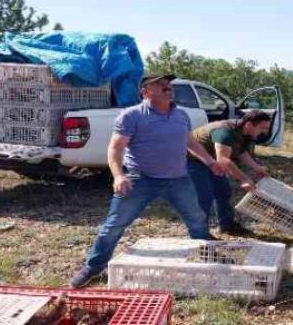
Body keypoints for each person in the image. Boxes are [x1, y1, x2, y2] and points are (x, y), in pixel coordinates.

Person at [70, 74, 214, 288]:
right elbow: (115, 148)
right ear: (145, 92)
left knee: (197, 219)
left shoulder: (181, 115)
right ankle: (94, 266)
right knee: (114, 225)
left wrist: (211, 162)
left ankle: (208, 257)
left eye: (168, 84)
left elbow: (189, 141)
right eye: (160, 84)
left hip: (178, 179)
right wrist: (119, 175)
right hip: (140, 180)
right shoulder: (131, 116)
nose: (167, 87)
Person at [187, 111, 272, 234]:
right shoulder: (225, 132)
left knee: (223, 190)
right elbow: (224, 161)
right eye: (262, 128)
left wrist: (258, 168)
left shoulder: (243, 132)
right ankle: (200, 233)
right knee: (204, 195)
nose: (264, 132)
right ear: (249, 125)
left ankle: (227, 225)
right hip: (193, 159)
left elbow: (241, 152)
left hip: (212, 160)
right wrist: (244, 179)